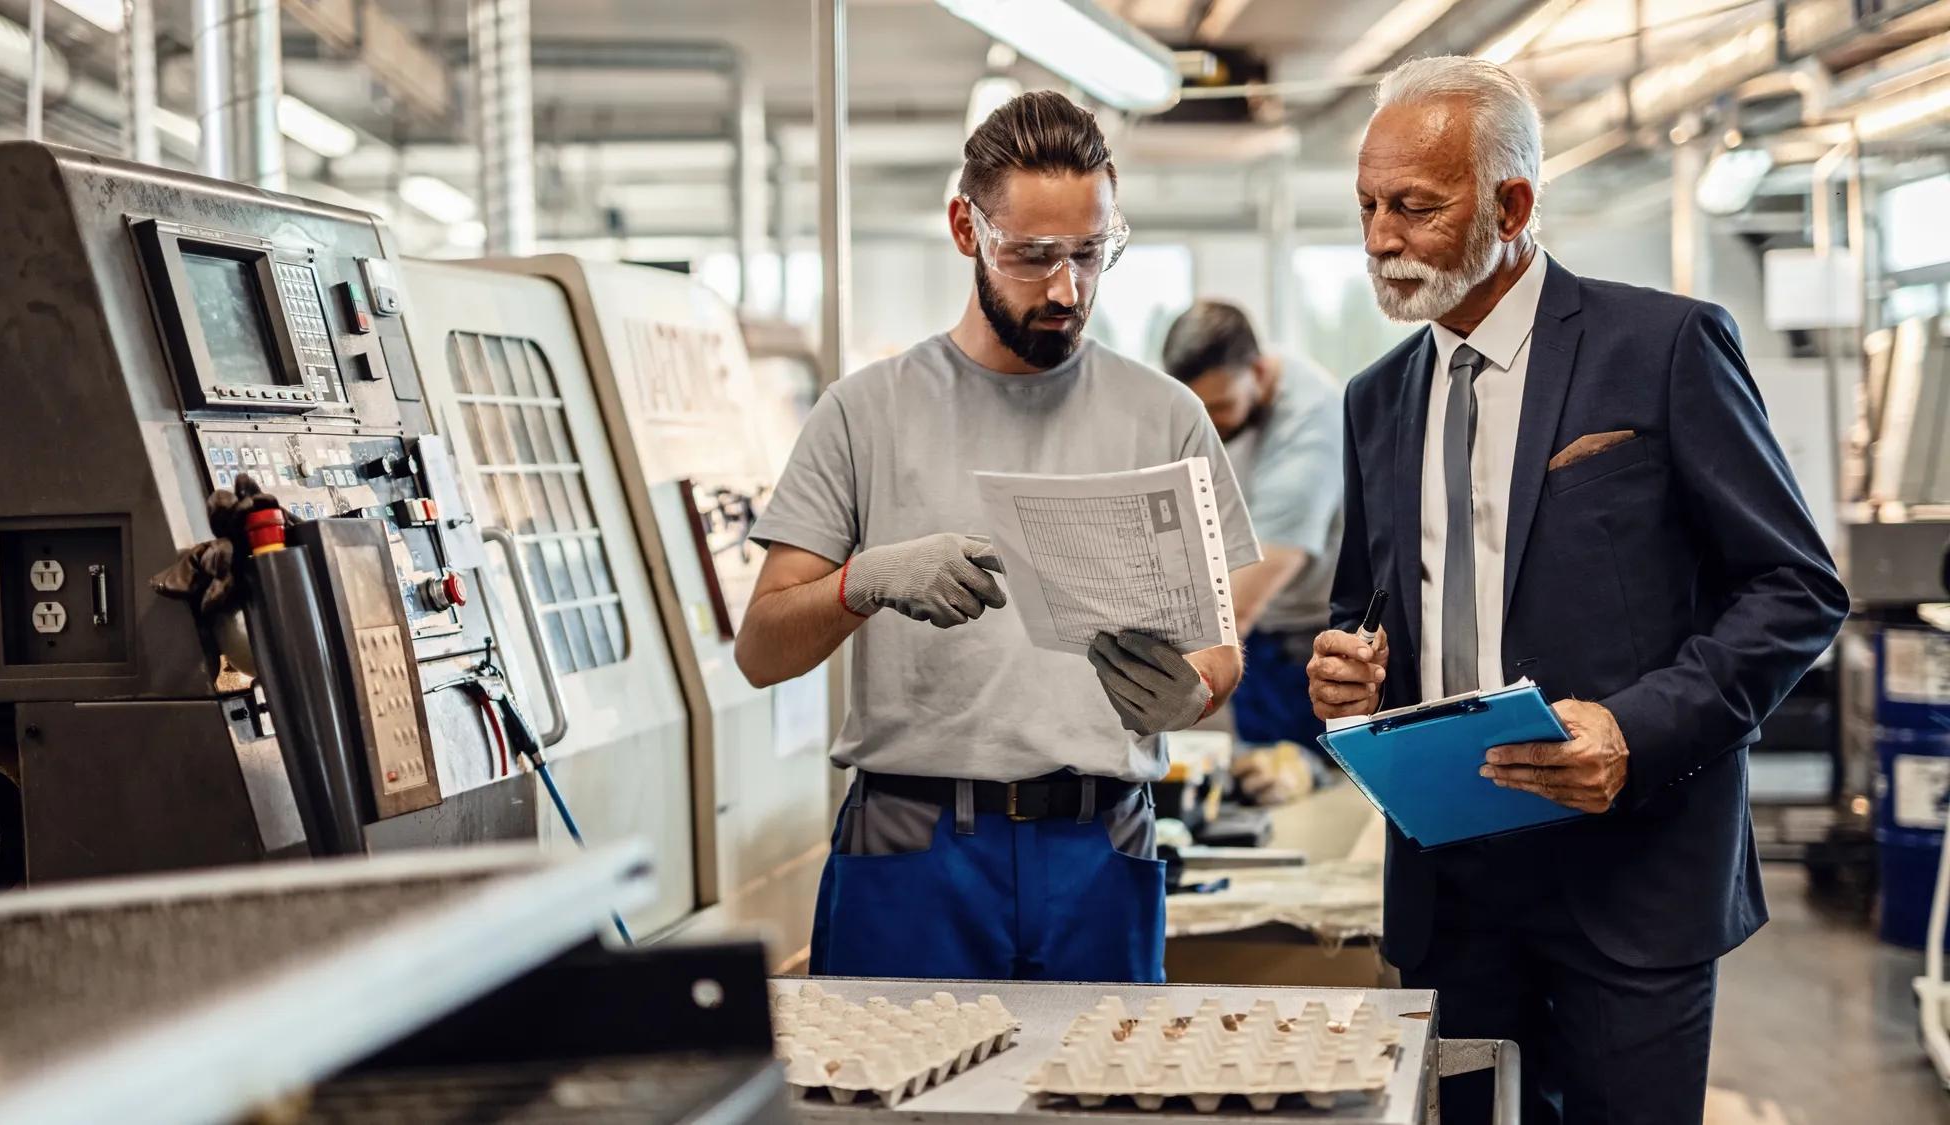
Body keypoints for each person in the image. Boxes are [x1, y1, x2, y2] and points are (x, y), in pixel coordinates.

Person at [1308, 57, 1846, 1125]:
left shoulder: (1660, 348)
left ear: (1511, 205)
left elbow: (1794, 588)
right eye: (1366, 206)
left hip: (1629, 880)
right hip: (1449, 897)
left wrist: (1634, 730)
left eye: (1413, 207)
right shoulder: (1377, 400)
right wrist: (1345, 675)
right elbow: (1363, 607)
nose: (1378, 239)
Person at [736, 91, 1260, 984]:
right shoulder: (864, 413)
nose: (1067, 289)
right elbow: (761, 649)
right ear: (965, 228)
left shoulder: (1163, 416)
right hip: (914, 845)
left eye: (1093, 254)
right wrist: (861, 581)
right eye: (1033, 255)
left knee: (1105, 1107)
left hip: (1101, 845)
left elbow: (1219, 648)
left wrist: (1194, 692)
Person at [1162, 300, 1343, 763]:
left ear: (1259, 372)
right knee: (1257, 784)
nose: (1211, 424)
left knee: (1303, 791)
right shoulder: (1230, 385)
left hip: (1310, 643)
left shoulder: (1310, 428)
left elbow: (1243, 601)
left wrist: (1163, 685)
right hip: (1257, 633)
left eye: (1220, 408)